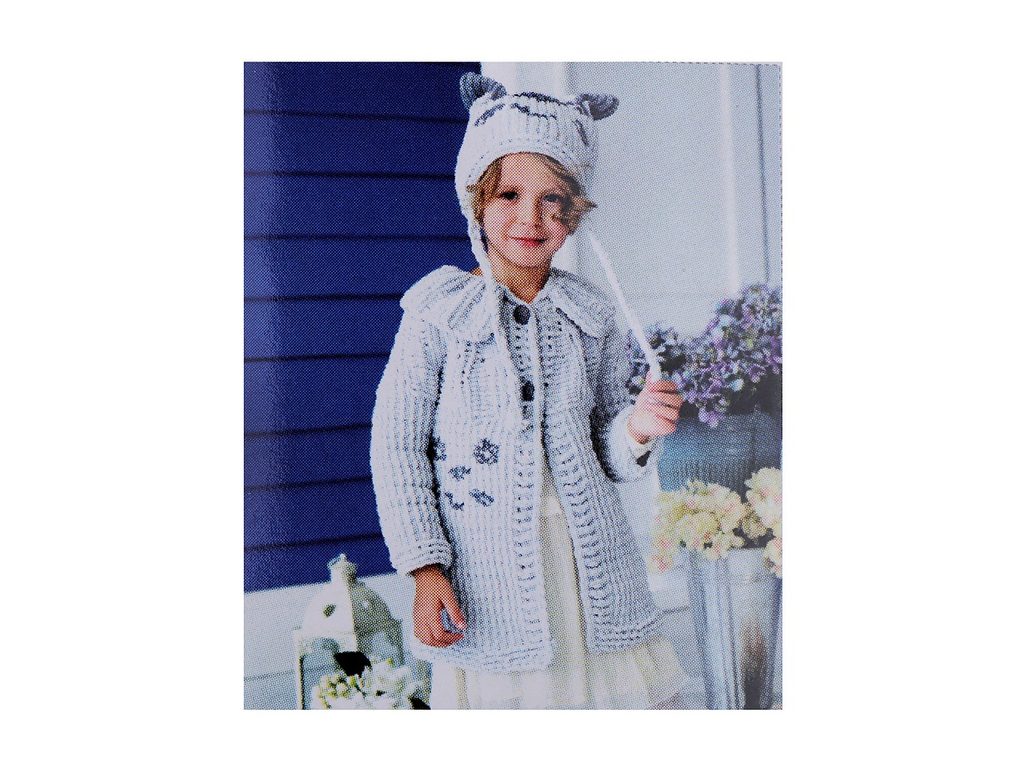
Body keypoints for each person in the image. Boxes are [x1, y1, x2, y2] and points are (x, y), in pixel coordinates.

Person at [370, 73, 686, 709]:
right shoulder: (439, 313)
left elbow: (604, 448)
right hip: (487, 575)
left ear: (574, 213)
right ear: (476, 200)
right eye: (509, 194)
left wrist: (635, 429)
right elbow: (397, 449)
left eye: (552, 200)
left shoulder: (588, 313)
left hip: (586, 566)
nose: (530, 217)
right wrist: (426, 568)